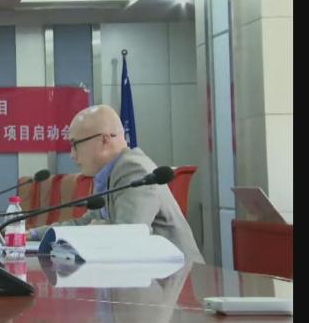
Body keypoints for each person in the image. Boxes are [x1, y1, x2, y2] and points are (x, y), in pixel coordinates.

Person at [32, 105, 205, 263]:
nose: (72, 155)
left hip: (178, 278)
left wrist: (98, 229)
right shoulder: (110, 172)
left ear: (104, 140)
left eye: (75, 144)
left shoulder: (133, 170)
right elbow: (86, 222)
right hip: (146, 275)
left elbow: (128, 237)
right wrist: (31, 234)